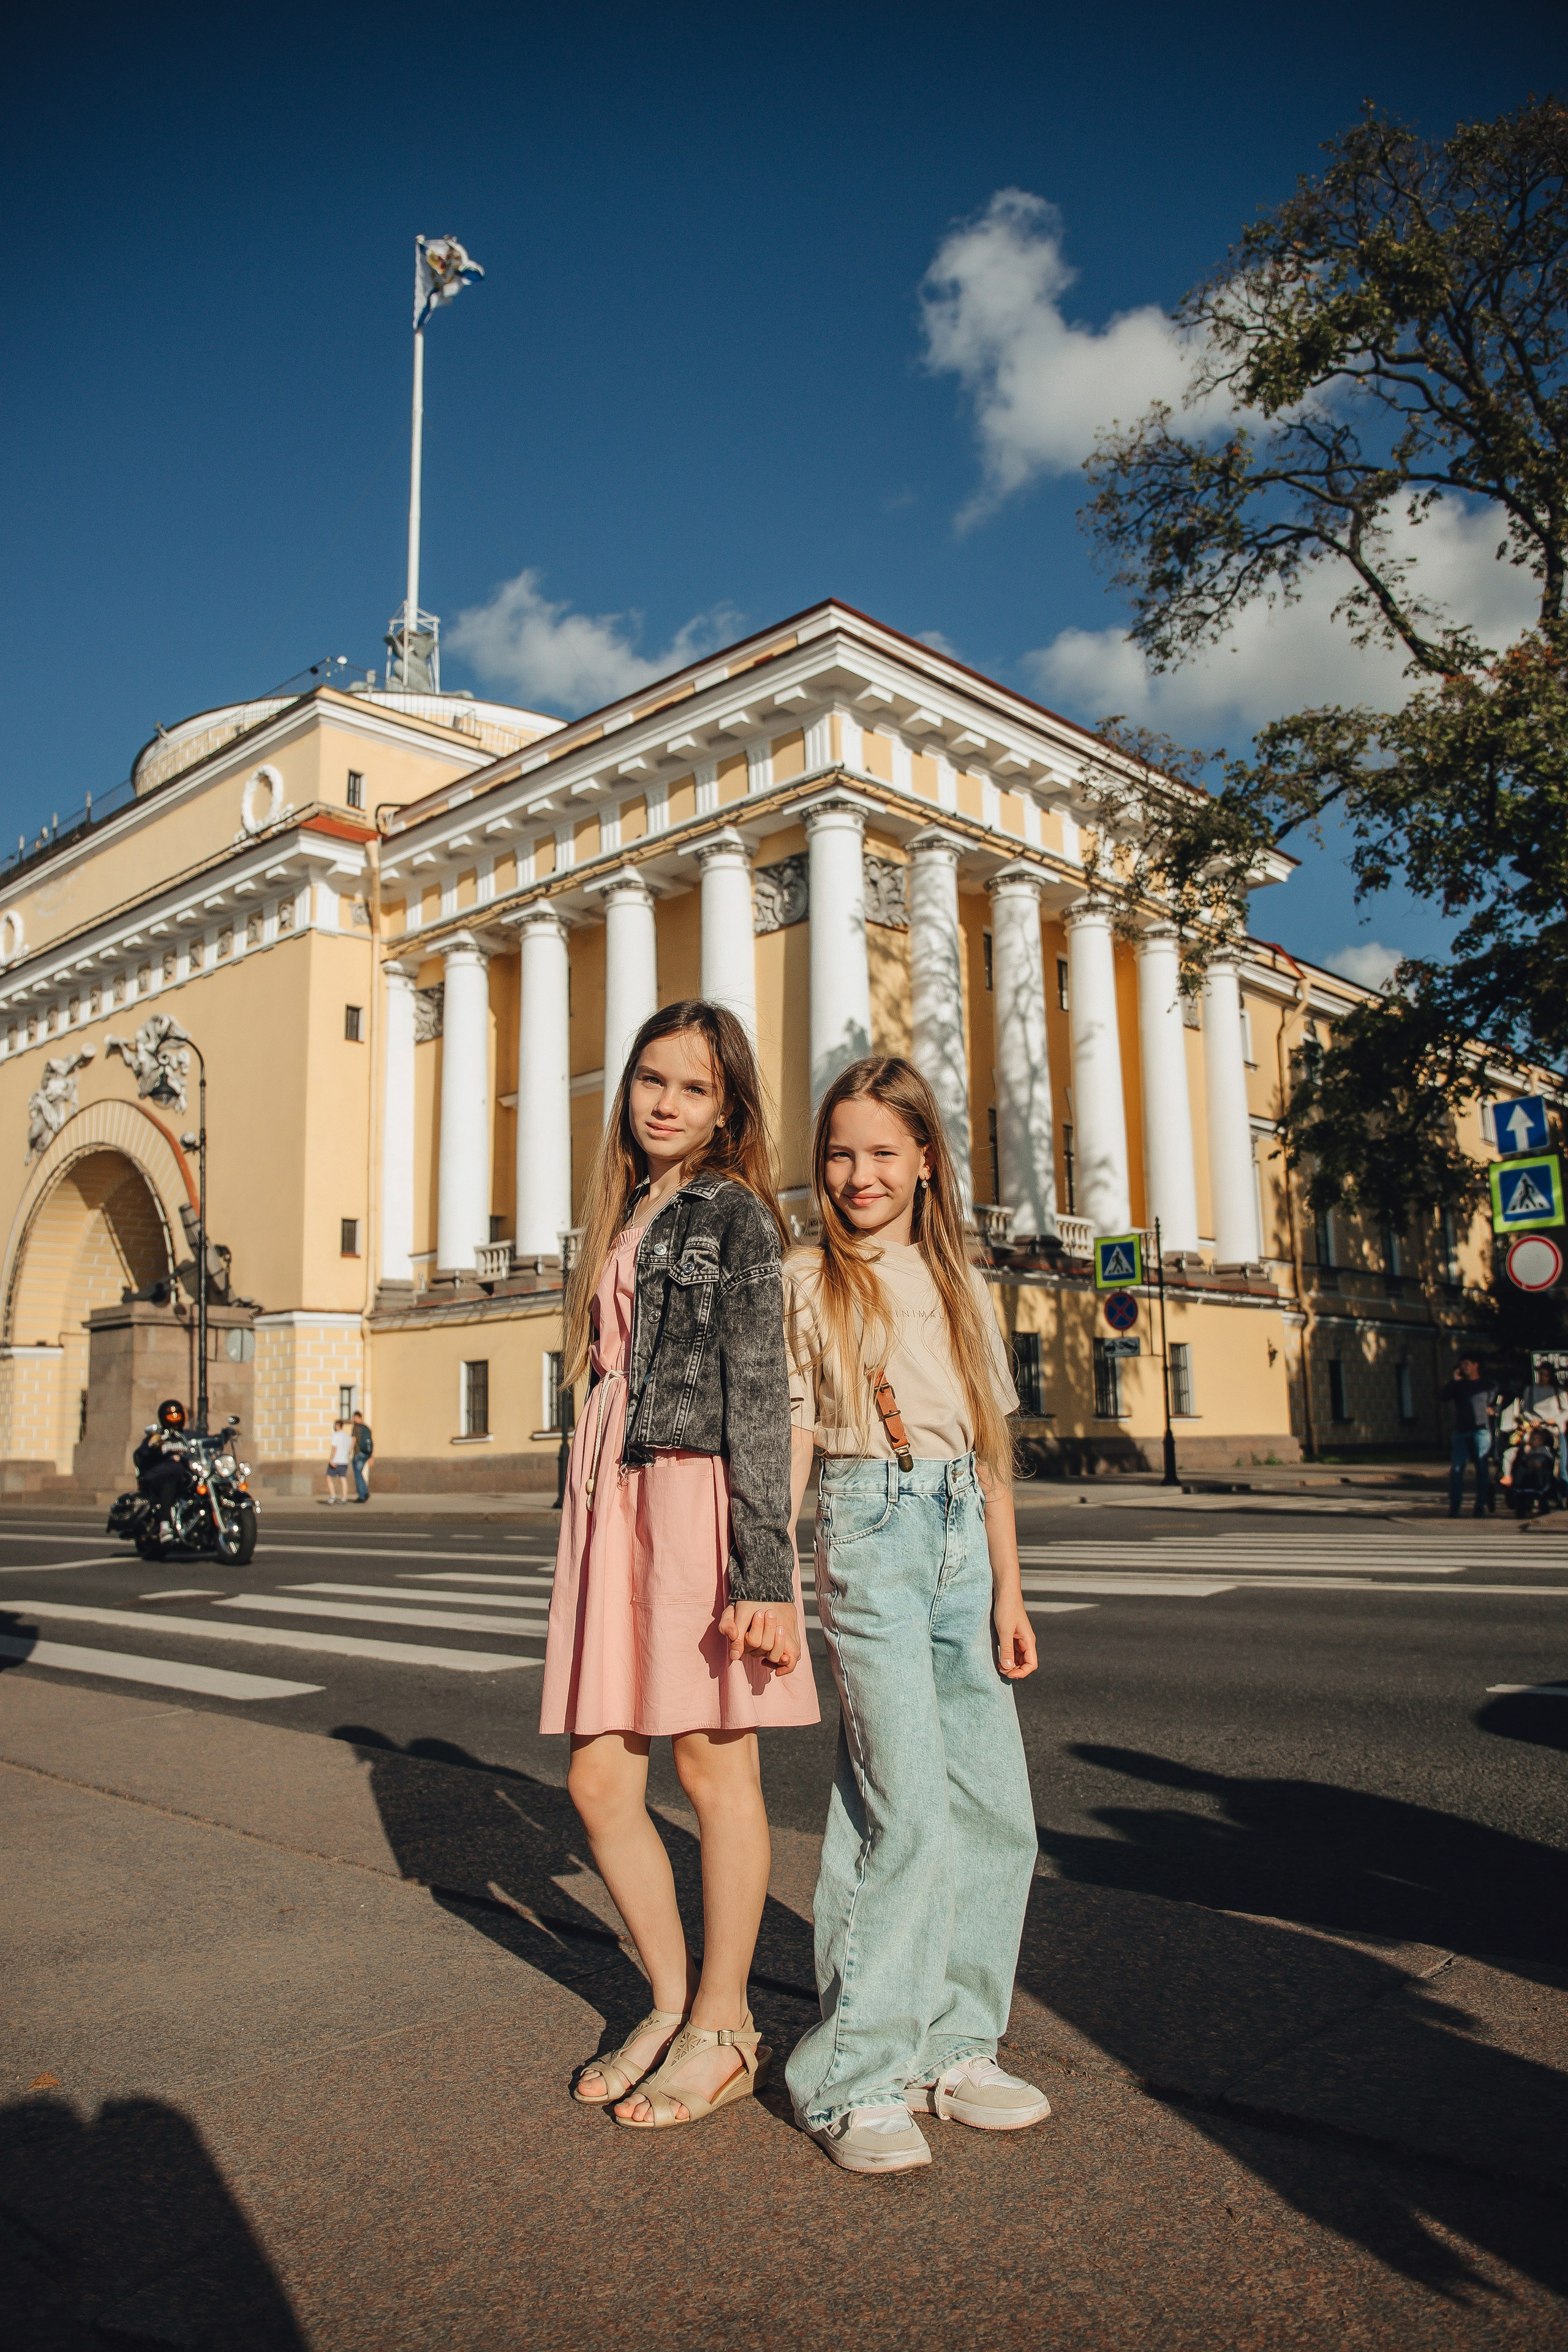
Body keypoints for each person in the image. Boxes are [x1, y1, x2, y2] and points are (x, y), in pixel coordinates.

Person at [540, 998, 818, 2130]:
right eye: (652, 1078)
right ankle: (666, 2002)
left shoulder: (735, 1214)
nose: (665, 1101)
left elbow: (760, 1395)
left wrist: (764, 1568)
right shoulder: (627, 1206)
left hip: (693, 1489)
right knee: (600, 1779)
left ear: (729, 1107)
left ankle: (725, 2022)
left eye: (693, 1087)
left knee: (713, 1772)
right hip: (613, 1494)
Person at [782, 1055, 1050, 2174]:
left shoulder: (962, 1282)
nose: (859, 1174)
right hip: (864, 1528)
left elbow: (989, 1450)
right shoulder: (806, 1278)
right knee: (904, 1813)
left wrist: (1011, 1594)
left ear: (927, 1161)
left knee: (996, 1812)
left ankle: (955, 2045)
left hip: (957, 1544)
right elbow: (795, 1430)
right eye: (841, 1153)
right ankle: (853, 2077)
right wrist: (766, 1574)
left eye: (883, 1152)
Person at [1439, 1355, 1498, 1518]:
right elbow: (1443, 1396)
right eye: (1461, 1364)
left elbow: (1507, 1395)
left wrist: (1496, 1409)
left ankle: (1480, 1506)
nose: (1463, 1367)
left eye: (1466, 1364)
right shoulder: (1459, 1385)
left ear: (1475, 1365)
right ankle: (1454, 1507)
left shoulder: (1486, 1384)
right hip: (1461, 1432)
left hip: (1481, 1431)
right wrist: (1454, 1381)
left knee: (1482, 1469)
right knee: (1457, 1470)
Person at [134, 1398, 190, 1534]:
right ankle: (164, 1526)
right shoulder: (158, 1437)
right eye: (171, 1416)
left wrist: (222, 1437)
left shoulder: (188, 1436)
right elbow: (140, 1455)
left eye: (177, 1415)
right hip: (161, 1477)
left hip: (186, 1476)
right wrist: (151, 1445)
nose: (175, 1419)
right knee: (170, 1482)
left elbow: (207, 1441)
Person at [325, 1419, 352, 1502]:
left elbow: (334, 1449)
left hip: (336, 1461)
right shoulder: (348, 1436)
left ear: (337, 1426)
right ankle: (344, 1498)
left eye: (335, 1425)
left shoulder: (336, 1436)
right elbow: (350, 1449)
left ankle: (333, 1496)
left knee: (329, 1477)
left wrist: (331, 1460)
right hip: (345, 1461)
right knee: (343, 1479)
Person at [350, 1409, 374, 1503]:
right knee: (359, 1473)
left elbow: (354, 1440)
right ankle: (365, 1492)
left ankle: (362, 1496)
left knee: (357, 1474)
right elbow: (372, 1442)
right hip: (367, 1454)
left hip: (359, 1453)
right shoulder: (367, 1428)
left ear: (356, 1417)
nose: (353, 1420)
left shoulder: (356, 1428)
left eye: (354, 1418)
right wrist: (371, 1456)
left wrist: (350, 1450)